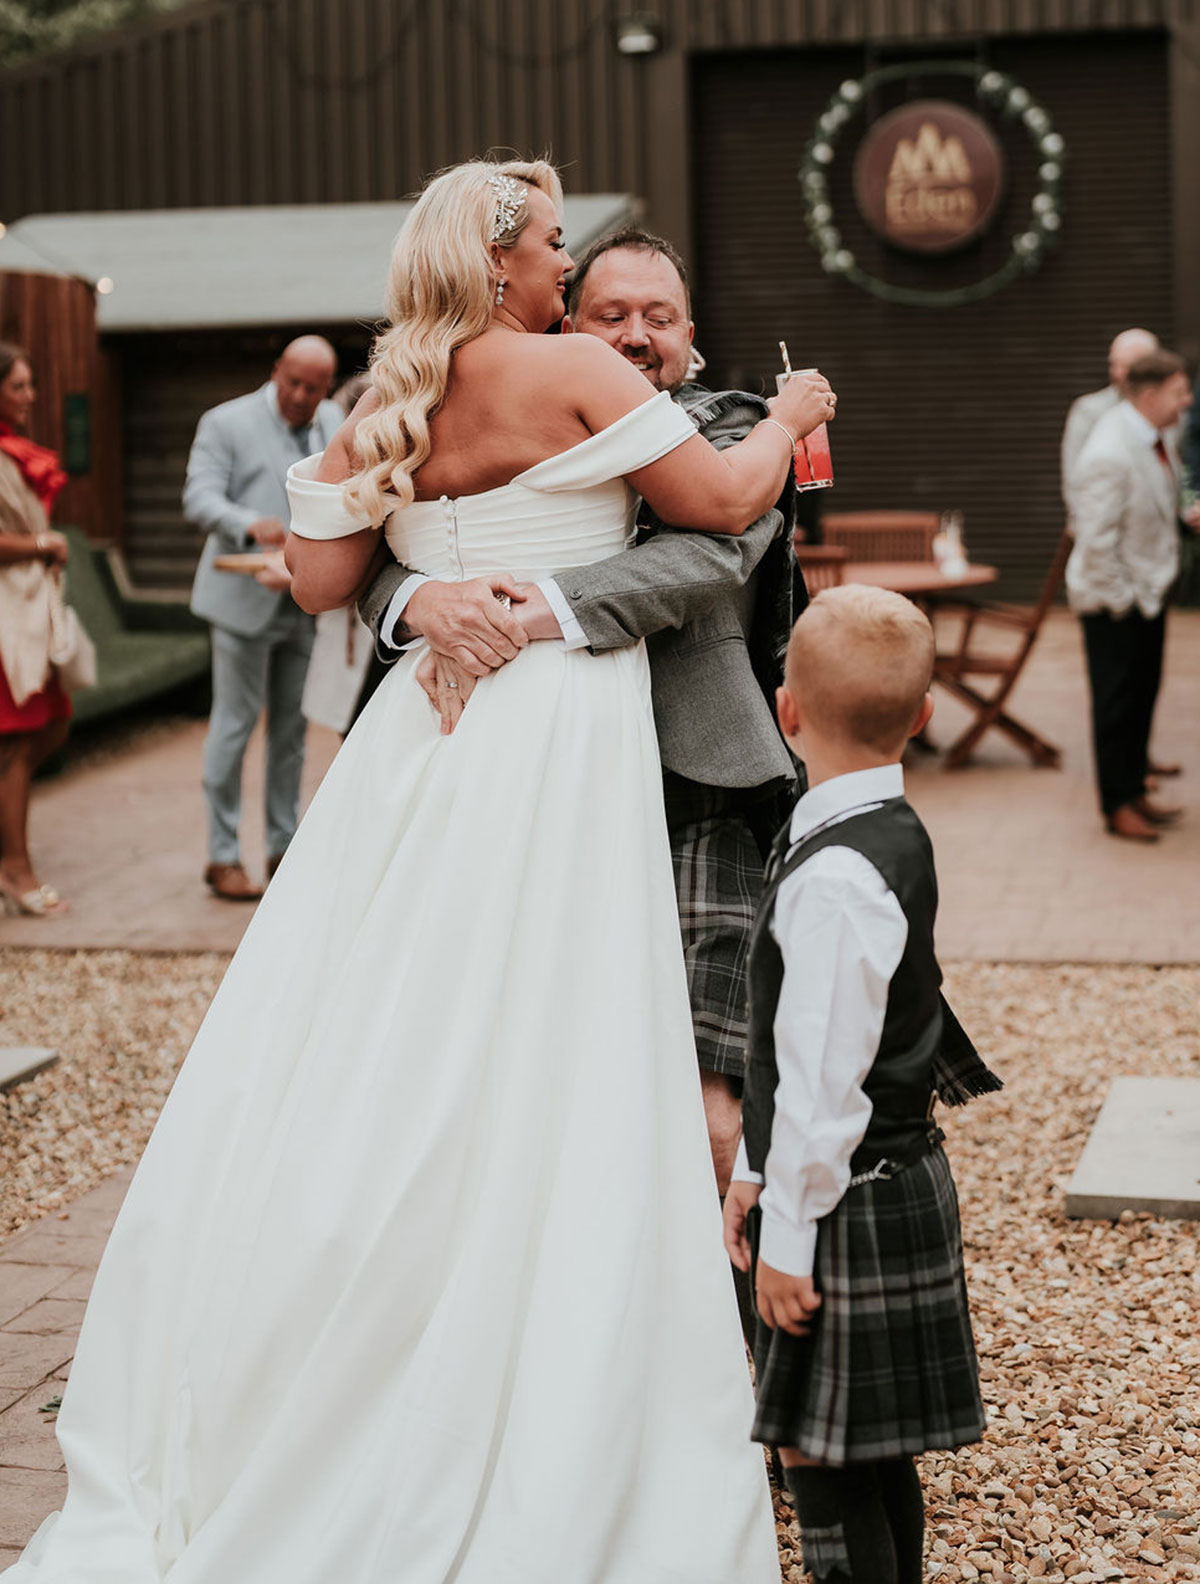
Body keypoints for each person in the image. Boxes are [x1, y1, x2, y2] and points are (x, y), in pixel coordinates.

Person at [11, 157, 836, 1583]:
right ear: (503, 260)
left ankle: (368, 1310)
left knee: (390, 1022)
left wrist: (423, 581)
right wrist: (802, 416)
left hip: (418, 749)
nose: (571, 276)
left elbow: (321, 576)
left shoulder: (382, 402)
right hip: (555, 736)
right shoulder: (570, 366)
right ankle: (545, 1340)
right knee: (557, 1029)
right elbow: (716, 497)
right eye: (558, 250)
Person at [359, 227, 809, 1195]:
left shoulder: (733, 423)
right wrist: (417, 599)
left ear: (692, 335)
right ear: (568, 321)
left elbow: (715, 551)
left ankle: (719, 1307)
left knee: (703, 1077)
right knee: (515, 1040)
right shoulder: (494, 403)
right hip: (506, 767)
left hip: (692, 770)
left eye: (658, 317)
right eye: (610, 315)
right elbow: (380, 535)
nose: (636, 336)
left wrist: (527, 611)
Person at [723, 585, 999, 1584]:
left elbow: (822, 1085)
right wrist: (752, 1164)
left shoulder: (835, 878)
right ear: (924, 718)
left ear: (786, 711)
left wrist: (786, 1239)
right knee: (871, 1444)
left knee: (819, 1455)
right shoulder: (878, 826)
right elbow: (798, 1055)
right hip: (869, 1183)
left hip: (846, 1200)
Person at [183, 334, 342, 899]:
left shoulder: (335, 419)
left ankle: (283, 849)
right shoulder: (225, 422)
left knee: (293, 733)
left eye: (314, 388)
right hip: (240, 600)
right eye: (293, 382)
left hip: (304, 598)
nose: (301, 396)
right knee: (233, 725)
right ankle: (222, 856)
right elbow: (198, 498)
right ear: (276, 371)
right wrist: (250, 523)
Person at [1066, 347, 1200, 842]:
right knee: (1116, 706)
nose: (1187, 402)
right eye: (1179, 392)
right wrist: (1125, 603)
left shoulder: (1153, 436)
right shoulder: (1108, 452)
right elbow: (1096, 543)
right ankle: (1116, 805)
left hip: (1149, 594)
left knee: (1142, 699)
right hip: (1115, 605)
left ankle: (1135, 791)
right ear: (1149, 394)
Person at [0, 343, 72, 917]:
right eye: (19, 385)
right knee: (18, 739)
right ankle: (17, 869)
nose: (30, 396)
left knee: (50, 727)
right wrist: (43, 543)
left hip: (27, 609)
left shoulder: (13, 450)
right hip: (5, 617)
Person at [1060, 327, 1157, 523]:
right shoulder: (1089, 411)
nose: (1118, 373)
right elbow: (1074, 481)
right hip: (1105, 527)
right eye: (1114, 364)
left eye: (1128, 366)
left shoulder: (1173, 414)